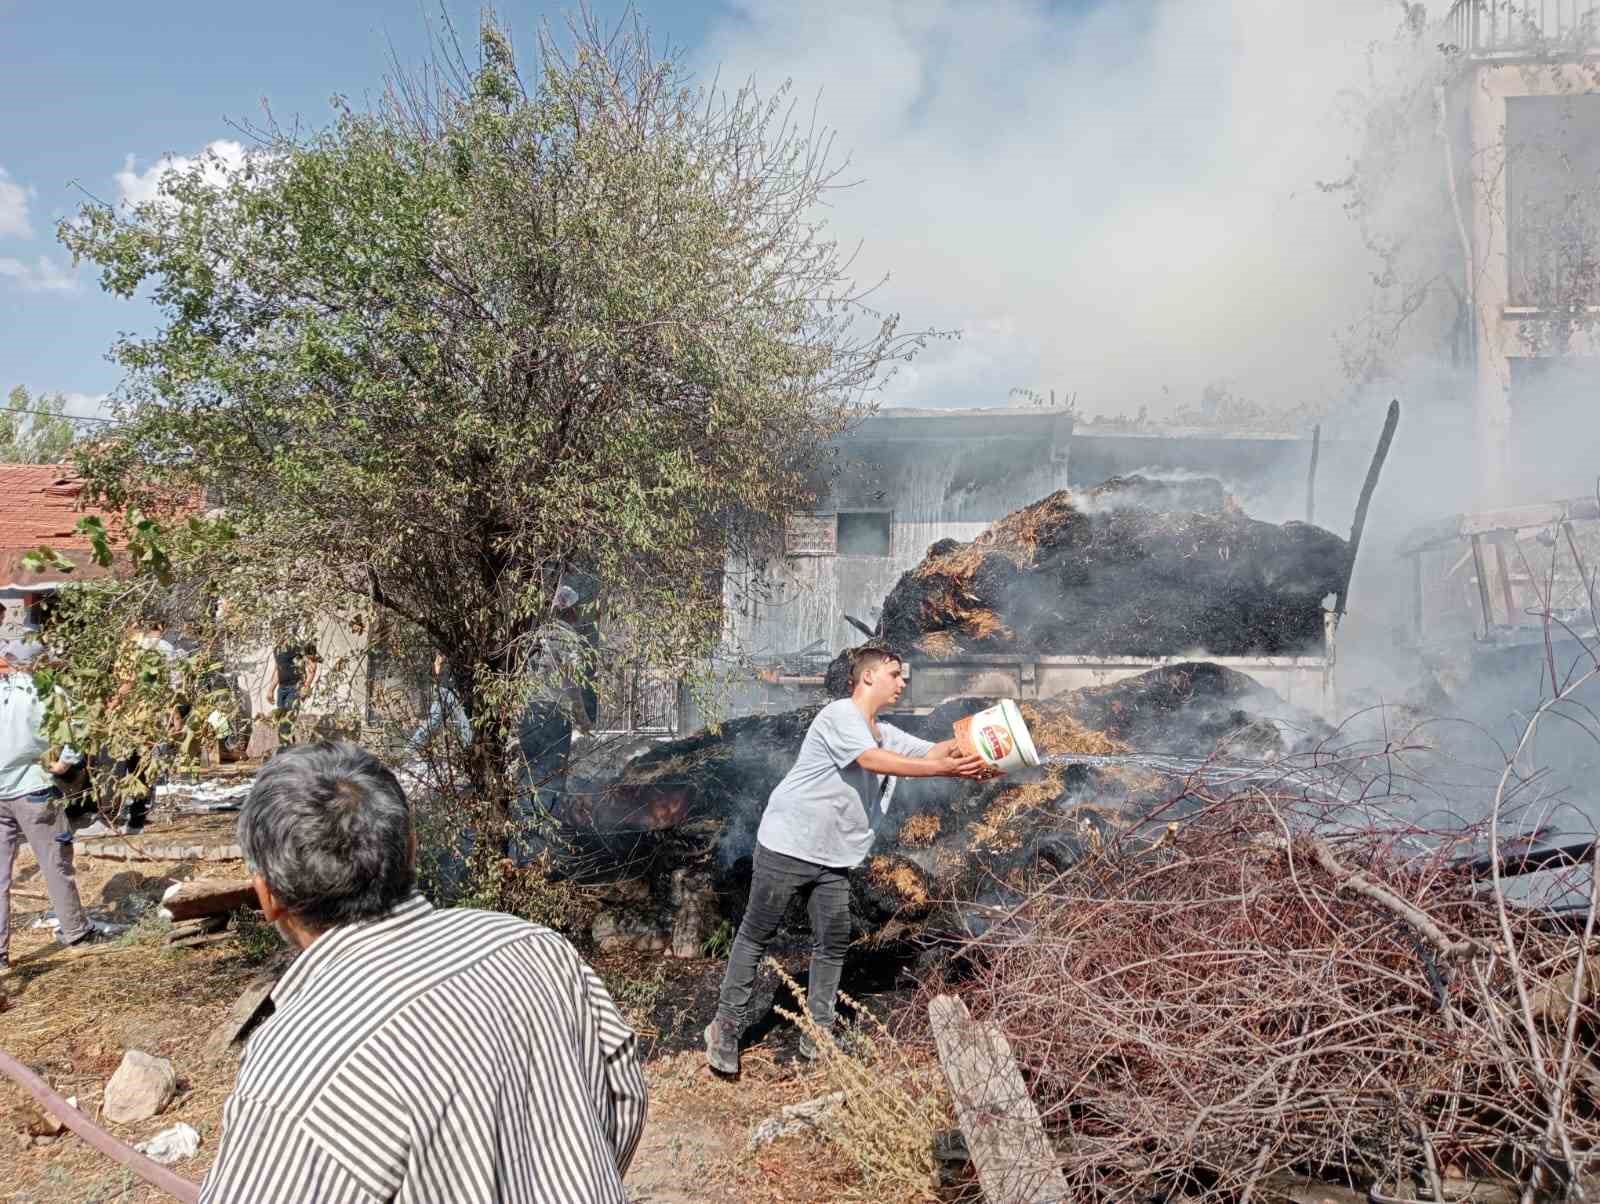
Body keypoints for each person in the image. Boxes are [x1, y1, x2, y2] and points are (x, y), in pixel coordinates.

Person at [200, 741, 647, 1203]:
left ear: (267, 895)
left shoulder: (300, 1065)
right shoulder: (534, 946)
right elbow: (625, 1096)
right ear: (412, 849)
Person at [704, 643, 994, 1073]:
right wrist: (945, 770)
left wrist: (982, 746)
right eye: (895, 674)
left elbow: (931, 751)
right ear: (868, 677)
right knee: (757, 933)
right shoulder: (839, 716)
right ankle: (725, 1025)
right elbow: (872, 760)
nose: (903, 682)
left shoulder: (883, 730)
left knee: (834, 940)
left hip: (833, 857)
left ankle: (817, 1031)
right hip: (788, 843)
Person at [0, 640, 109, 970]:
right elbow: (78, 729)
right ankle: (76, 932)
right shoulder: (50, 693)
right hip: (33, 788)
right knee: (55, 865)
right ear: (39, 663)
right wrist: (66, 762)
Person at [407, 652, 472, 755]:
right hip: (447, 689)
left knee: (463, 722)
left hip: (453, 689)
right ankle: (410, 748)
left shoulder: (464, 646)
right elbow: (436, 667)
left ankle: (468, 752)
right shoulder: (450, 647)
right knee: (462, 723)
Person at [267, 633, 318, 747]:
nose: (275, 635)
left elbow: (313, 667)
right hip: (281, 689)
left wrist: (305, 687)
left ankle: (285, 752)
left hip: (295, 688)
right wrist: (271, 690)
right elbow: (278, 670)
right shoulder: (277, 649)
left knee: (287, 721)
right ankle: (289, 750)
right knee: (281, 722)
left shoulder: (297, 646)